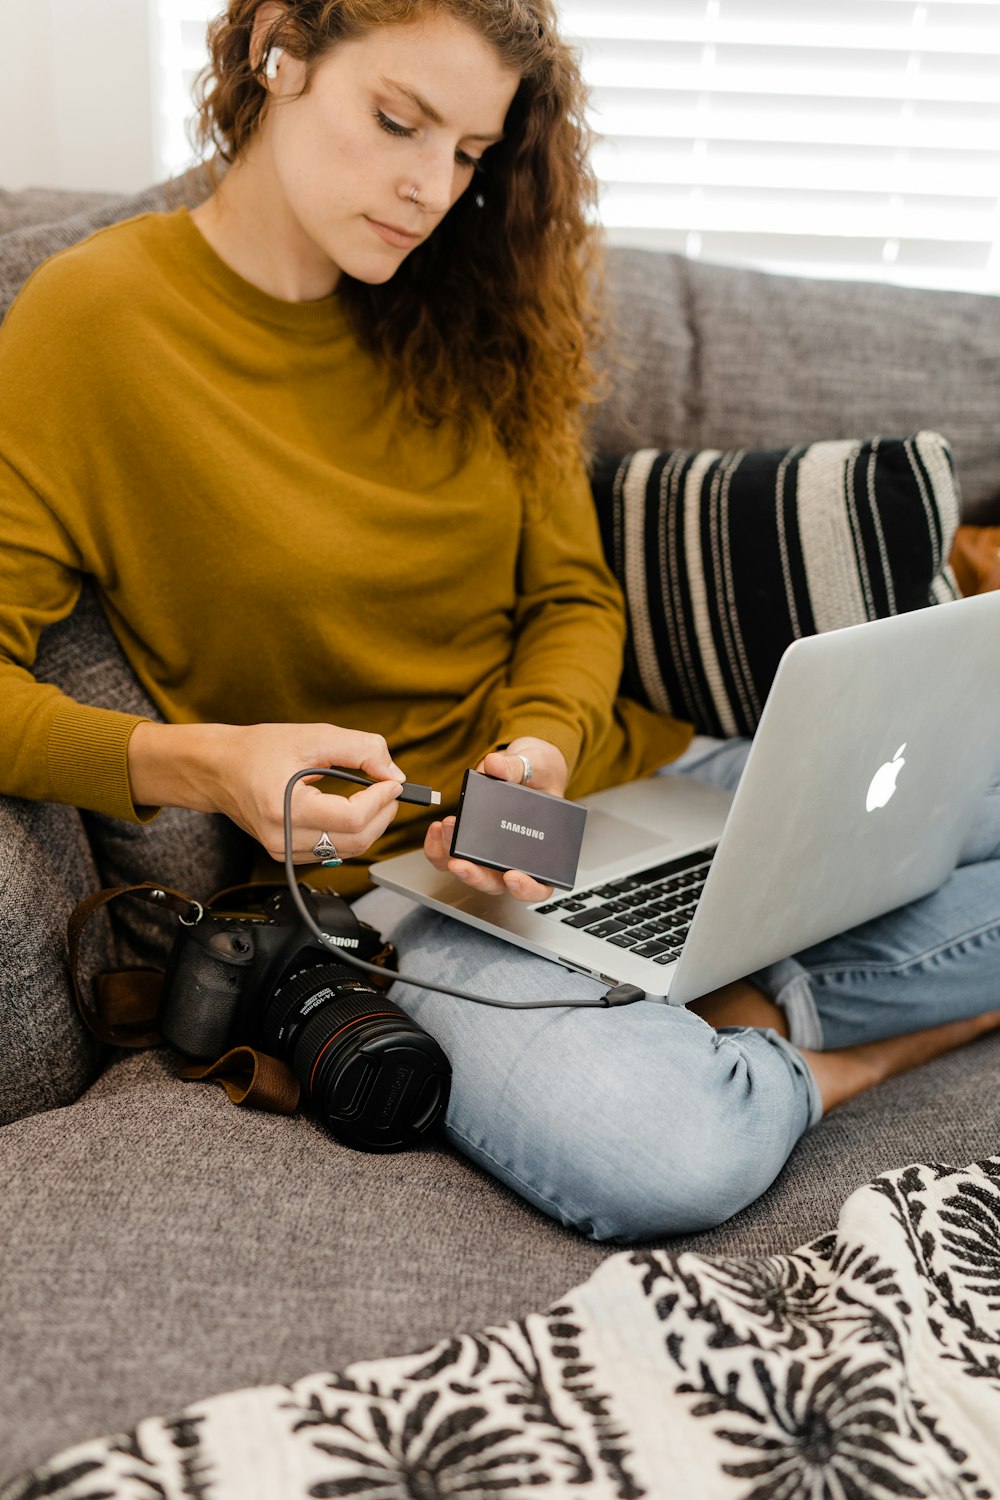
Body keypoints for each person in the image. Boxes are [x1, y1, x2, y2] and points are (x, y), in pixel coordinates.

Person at [1, 0, 998, 1242]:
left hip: (610, 795)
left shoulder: (477, 300)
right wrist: (208, 764)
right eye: (398, 121)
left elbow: (573, 597)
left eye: (469, 153)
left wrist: (537, 756)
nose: (431, 187)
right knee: (664, 1148)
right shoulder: (91, 323)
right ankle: (835, 1022)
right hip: (402, 887)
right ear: (279, 51)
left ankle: (733, 970)